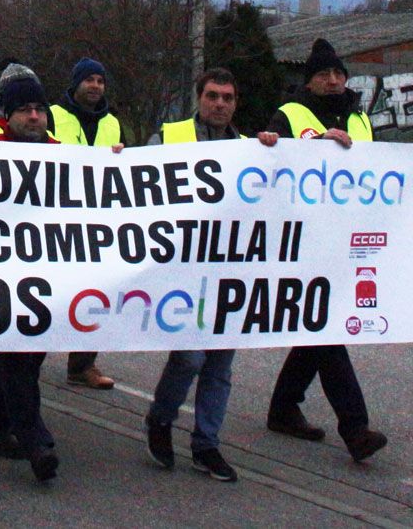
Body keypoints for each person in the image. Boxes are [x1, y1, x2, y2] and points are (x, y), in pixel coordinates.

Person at [143, 68, 279, 483]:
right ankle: (161, 419)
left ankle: (206, 444)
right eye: (213, 96)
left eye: (228, 98)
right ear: (199, 97)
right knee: (188, 358)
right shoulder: (169, 137)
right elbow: (135, 188)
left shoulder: (250, 148)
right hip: (181, 273)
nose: (220, 104)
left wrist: (283, 150)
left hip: (229, 273)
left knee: (220, 365)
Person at [263, 38, 387, 463]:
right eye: (322, 74)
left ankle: (283, 407)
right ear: (309, 81)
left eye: (337, 74)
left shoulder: (360, 117)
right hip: (300, 239)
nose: (332, 80)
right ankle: (355, 428)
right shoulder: (290, 116)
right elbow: (267, 170)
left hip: (349, 241)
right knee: (326, 327)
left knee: (314, 327)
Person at [0, 63, 60, 483]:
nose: (34, 116)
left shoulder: (61, 152)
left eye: (39, 108)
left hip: (42, 277)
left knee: (27, 358)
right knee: (17, 359)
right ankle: (35, 438)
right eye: (24, 109)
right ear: (7, 115)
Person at [49, 57, 122, 390]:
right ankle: (12, 353)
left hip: (96, 222)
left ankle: (83, 364)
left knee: (95, 293)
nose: (95, 86)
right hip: (53, 219)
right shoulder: (51, 115)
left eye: (100, 80)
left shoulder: (112, 124)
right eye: (89, 80)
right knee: (48, 290)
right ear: (75, 83)